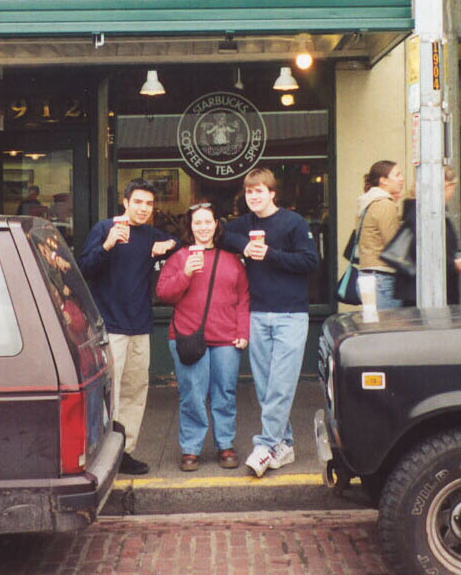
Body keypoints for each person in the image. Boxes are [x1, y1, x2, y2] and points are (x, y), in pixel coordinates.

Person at [222, 167, 320, 478]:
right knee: (265, 387)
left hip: (290, 313)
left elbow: (310, 261)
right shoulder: (244, 224)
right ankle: (285, 445)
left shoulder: (293, 222)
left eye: (259, 191)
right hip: (257, 313)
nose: (253, 196)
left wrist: (271, 254)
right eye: (249, 191)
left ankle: (264, 446)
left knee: (280, 384)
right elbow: (222, 234)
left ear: (272, 193)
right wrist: (242, 246)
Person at [78, 179, 177, 474]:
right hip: (111, 327)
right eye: (138, 202)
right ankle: (103, 452)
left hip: (141, 325)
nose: (144, 209)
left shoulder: (150, 235)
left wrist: (169, 244)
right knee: (111, 393)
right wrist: (107, 245)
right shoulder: (104, 228)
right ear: (125, 202)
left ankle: (125, 451)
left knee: (136, 391)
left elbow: (182, 242)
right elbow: (84, 269)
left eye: (149, 204)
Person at [156, 203, 250, 471]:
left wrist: (243, 331)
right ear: (191, 227)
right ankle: (191, 448)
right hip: (188, 335)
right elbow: (164, 294)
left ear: (216, 225)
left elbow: (243, 298)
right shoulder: (179, 257)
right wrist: (185, 273)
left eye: (208, 222)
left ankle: (225, 444)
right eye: (198, 223)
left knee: (225, 393)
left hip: (226, 337)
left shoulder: (232, 260)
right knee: (192, 395)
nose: (204, 227)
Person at [393, 165, 461, 306]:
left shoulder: (422, 210)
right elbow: (423, 252)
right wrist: (452, 264)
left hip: (424, 290)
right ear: (446, 186)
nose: (453, 192)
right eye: (453, 187)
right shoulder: (424, 213)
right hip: (425, 292)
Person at [354, 160, 405, 310]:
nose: (401, 178)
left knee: (374, 328)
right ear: (383, 180)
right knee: (388, 329)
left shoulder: (368, 201)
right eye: (397, 174)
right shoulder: (384, 204)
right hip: (382, 276)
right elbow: (394, 242)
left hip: (367, 275)